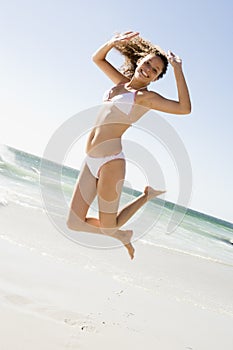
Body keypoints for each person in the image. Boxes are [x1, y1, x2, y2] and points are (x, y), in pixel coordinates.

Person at [67, 31, 191, 260]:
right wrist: (112, 43)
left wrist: (177, 70)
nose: (148, 70)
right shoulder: (121, 84)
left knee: (107, 225)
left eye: (155, 71)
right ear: (141, 60)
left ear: (155, 78)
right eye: (148, 64)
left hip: (110, 162)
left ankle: (145, 198)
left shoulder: (146, 98)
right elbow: (97, 59)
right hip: (90, 160)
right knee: (74, 222)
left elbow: (184, 109)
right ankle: (123, 233)